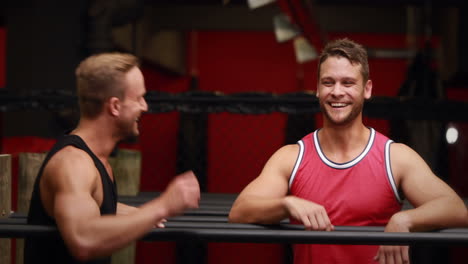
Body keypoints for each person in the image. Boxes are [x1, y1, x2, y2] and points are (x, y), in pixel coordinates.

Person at [229, 38, 467, 264]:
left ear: (367, 89)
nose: (337, 92)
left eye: (348, 83)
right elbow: (240, 211)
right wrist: (286, 204)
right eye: (328, 82)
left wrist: (405, 219)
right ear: (318, 89)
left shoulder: (394, 157)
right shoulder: (291, 157)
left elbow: (456, 209)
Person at [25, 52, 201, 264]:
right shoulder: (73, 164)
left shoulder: (95, 160)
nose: (144, 106)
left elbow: (96, 206)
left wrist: (141, 214)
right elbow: (83, 239)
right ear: (115, 106)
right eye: (139, 98)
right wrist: (163, 206)